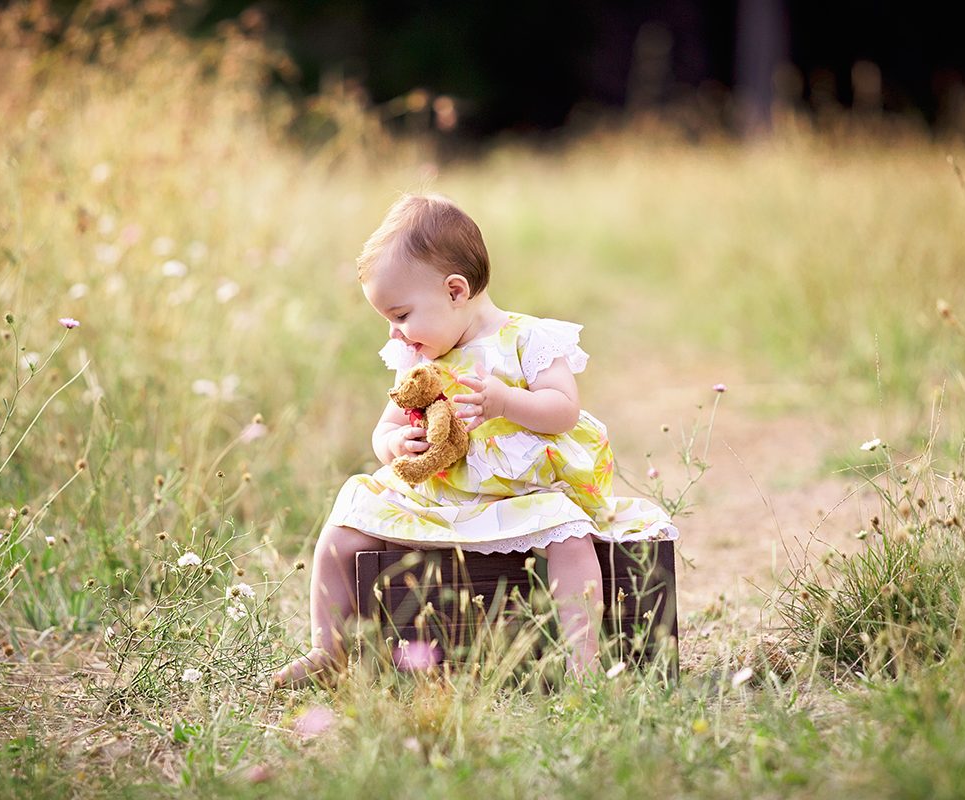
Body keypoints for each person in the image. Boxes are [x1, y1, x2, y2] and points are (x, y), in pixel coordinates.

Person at [274, 193, 677, 686]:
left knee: (570, 538)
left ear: (455, 290)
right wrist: (396, 448)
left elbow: (563, 411)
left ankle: (584, 663)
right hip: (443, 499)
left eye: (401, 315)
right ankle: (328, 649)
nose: (396, 334)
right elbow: (385, 428)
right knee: (345, 524)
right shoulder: (419, 359)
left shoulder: (529, 339)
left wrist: (505, 402)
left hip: (523, 496)